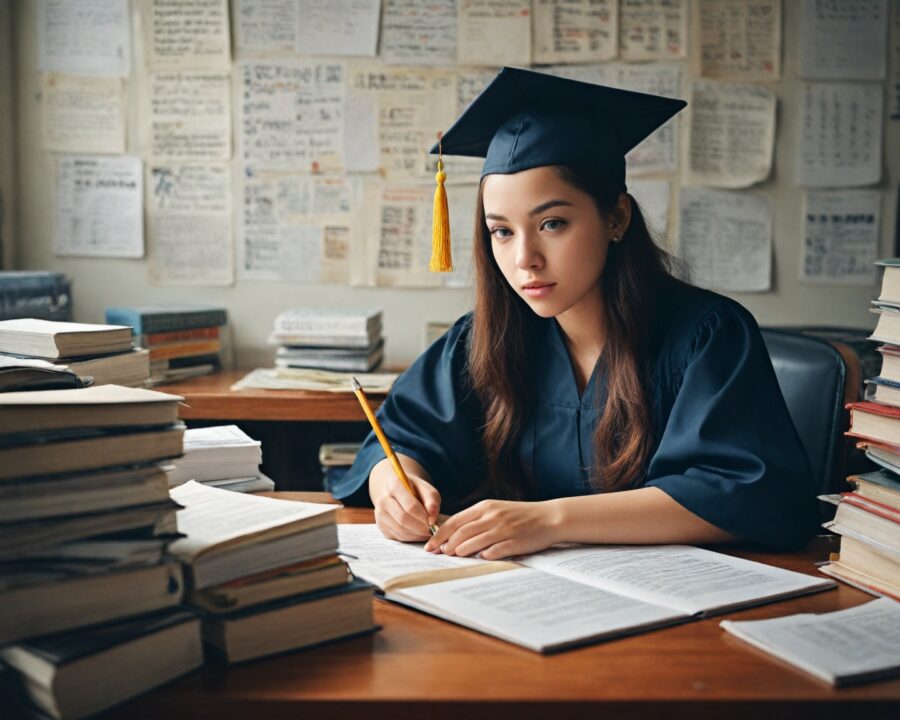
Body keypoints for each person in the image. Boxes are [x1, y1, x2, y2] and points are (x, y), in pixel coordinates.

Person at [332, 67, 820, 557]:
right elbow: (400, 438)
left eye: (552, 223)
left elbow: (750, 492)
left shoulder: (707, 337)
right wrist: (395, 487)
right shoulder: (484, 341)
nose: (525, 258)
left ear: (617, 218)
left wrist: (549, 521)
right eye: (501, 231)